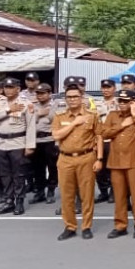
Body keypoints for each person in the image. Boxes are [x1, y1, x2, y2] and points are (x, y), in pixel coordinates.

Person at [51, 83, 103, 240]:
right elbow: (56, 136)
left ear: (82, 98)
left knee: (87, 195)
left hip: (86, 157)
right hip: (65, 158)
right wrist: (74, 123)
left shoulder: (92, 116)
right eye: (69, 97)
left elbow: (99, 137)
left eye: (75, 97)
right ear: (65, 99)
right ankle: (70, 226)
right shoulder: (60, 117)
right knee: (66, 195)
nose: (72, 100)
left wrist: (99, 158)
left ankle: (86, 226)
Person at [101, 89, 135, 238]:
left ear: (132, 102)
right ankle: (120, 225)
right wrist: (122, 125)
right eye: (120, 101)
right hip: (116, 162)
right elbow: (104, 133)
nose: (122, 104)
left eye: (126, 101)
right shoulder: (112, 115)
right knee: (119, 196)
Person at [0, 78, 36, 216]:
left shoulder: (26, 104)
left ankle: (19, 201)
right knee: (5, 174)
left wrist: (30, 146)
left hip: (18, 142)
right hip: (2, 143)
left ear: (18, 89)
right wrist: (8, 110)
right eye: (6, 87)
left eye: (11, 87)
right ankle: (9, 201)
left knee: (18, 174)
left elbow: (31, 126)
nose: (8, 90)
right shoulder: (0, 103)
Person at [29, 83, 58, 204]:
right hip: (36, 140)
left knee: (52, 167)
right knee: (37, 168)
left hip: (49, 140)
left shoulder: (56, 105)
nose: (40, 96)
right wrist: (39, 113)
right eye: (38, 93)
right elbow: (29, 119)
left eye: (43, 93)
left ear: (49, 94)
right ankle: (39, 191)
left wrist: (48, 113)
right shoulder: (33, 105)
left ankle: (51, 190)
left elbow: (56, 119)